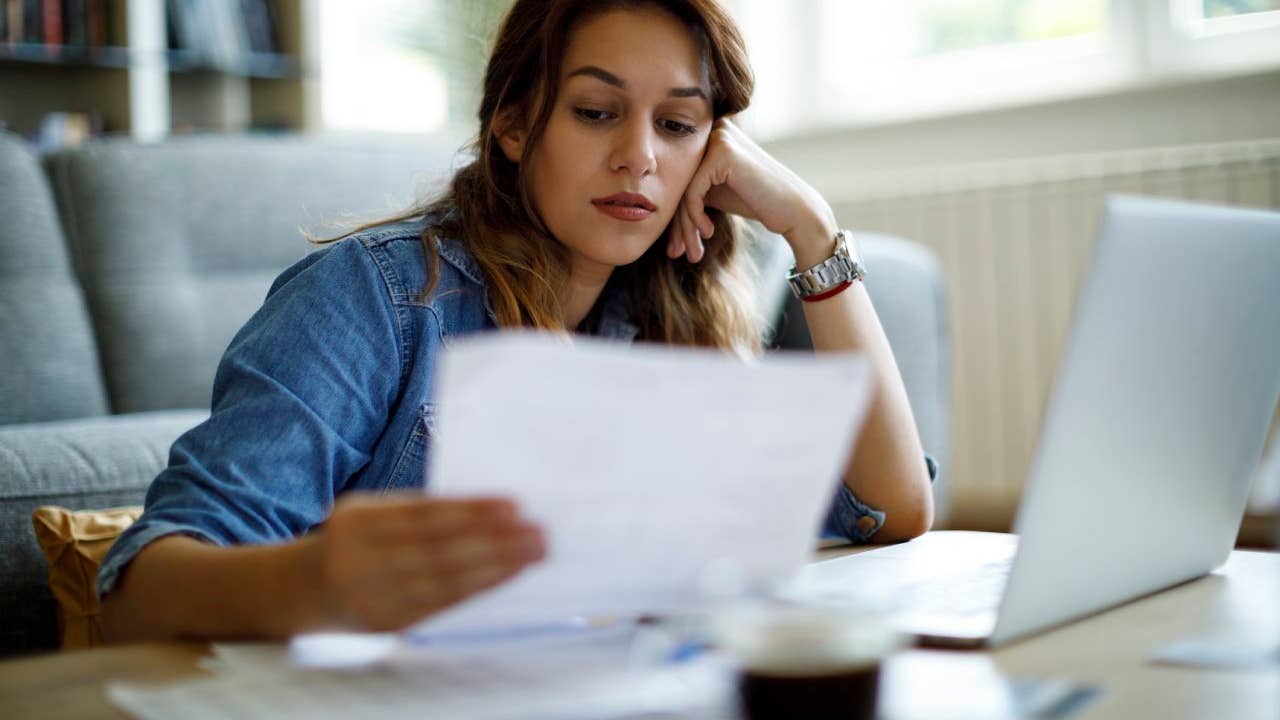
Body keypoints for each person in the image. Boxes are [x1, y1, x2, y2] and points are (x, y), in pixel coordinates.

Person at [99, 0, 935, 642]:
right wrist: (315, 581)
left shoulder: (674, 313)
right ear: (511, 123)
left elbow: (888, 509)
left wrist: (812, 230)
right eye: (596, 111)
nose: (640, 156)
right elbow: (139, 589)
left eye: (677, 125)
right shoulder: (377, 296)